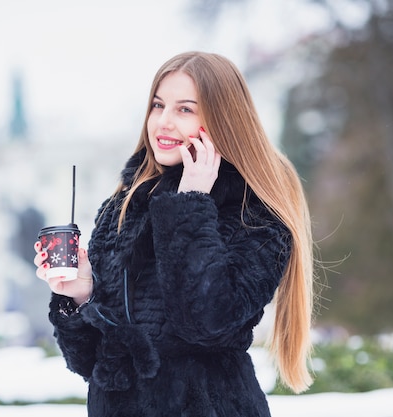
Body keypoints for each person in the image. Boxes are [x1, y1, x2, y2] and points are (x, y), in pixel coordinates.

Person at [34, 51, 316, 417]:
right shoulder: (126, 205)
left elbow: (208, 323)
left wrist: (192, 203)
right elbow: (96, 364)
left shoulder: (253, 213)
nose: (163, 122)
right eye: (158, 105)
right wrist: (80, 297)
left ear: (222, 120)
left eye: (185, 109)